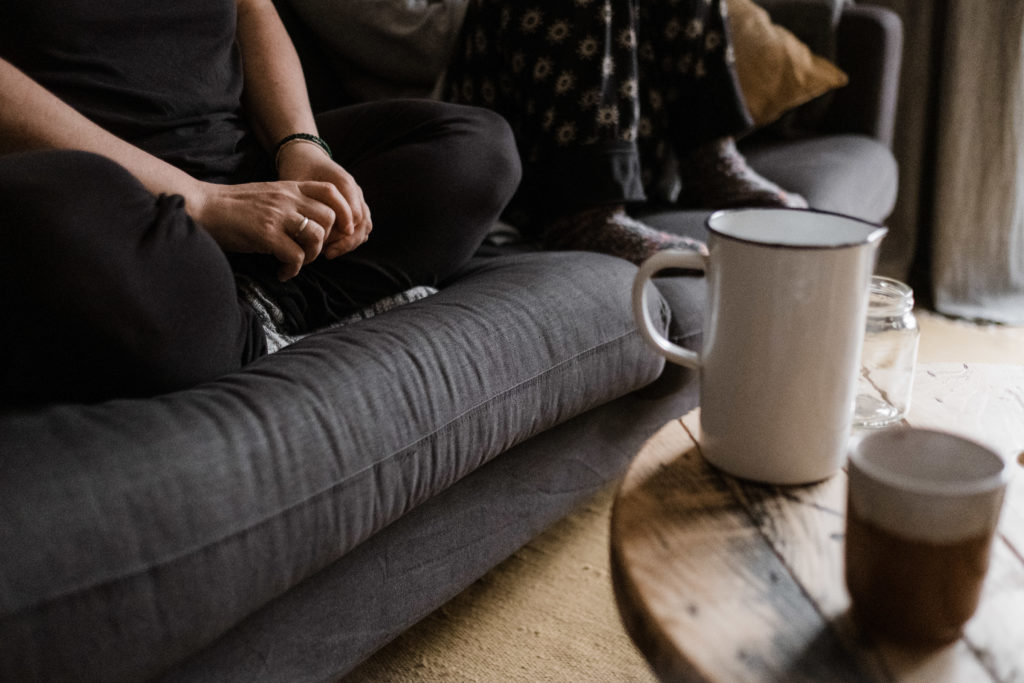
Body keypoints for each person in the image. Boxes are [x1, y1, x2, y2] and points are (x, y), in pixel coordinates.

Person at [0, 0, 521, 406]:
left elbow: (253, 8)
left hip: (241, 169)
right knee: (69, 213)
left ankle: (265, 313)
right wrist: (202, 202)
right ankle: (238, 325)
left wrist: (301, 148)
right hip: (115, 200)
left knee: (474, 150)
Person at [282, 0, 806, 266]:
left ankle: (707, 156)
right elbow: (411, 44)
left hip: (579, 105)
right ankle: (585, 215)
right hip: (449, 114)